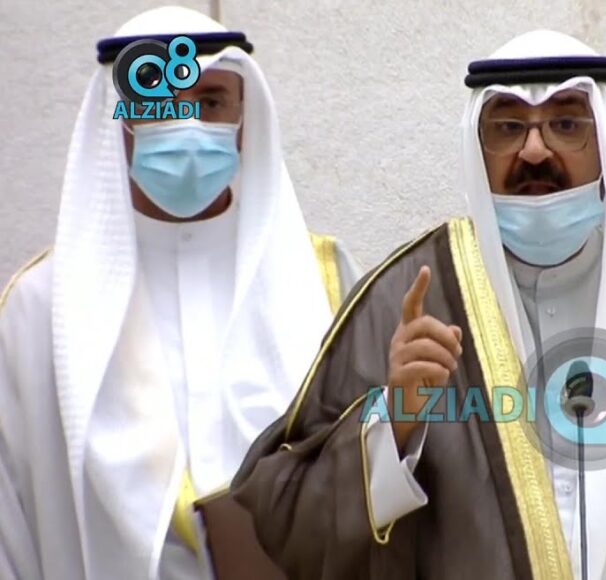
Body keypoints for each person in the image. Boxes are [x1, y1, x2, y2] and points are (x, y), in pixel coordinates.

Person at [231, 30, 606, 580]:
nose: (536, 151)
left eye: (566, 124)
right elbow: (288, 522)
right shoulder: (409, 298)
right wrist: (396, 424)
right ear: (478, 146)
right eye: (508, 127)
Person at [0, 6, 360, 580]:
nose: (187, 124)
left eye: (211, 100)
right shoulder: (40, 310)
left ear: (243, 116)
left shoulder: (322, 279)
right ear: (118, 118)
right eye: (159, 102)